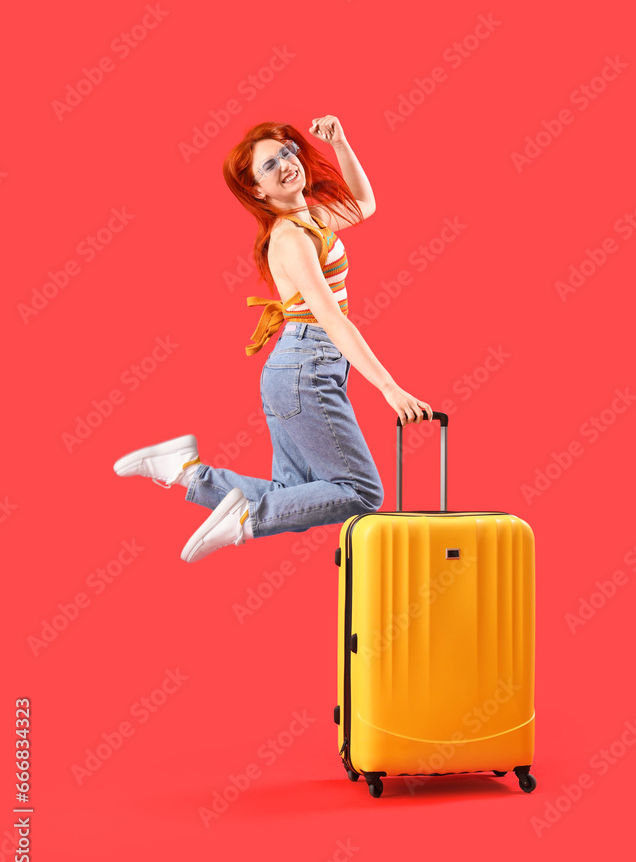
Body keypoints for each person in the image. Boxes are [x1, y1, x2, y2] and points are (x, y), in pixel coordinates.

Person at [113, 115, 432, 562]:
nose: (286, 164)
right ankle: (248, 518)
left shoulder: (311, 218)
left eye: (286, 153)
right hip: (308, 368)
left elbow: (364, 202)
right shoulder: (290, 239)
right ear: (257, 191)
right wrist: (390, 389)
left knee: (293, 492)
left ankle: (187, 472)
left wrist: (341, 143)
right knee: (359, 491)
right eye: (269, 165)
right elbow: (334, 322)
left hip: (298, 367)